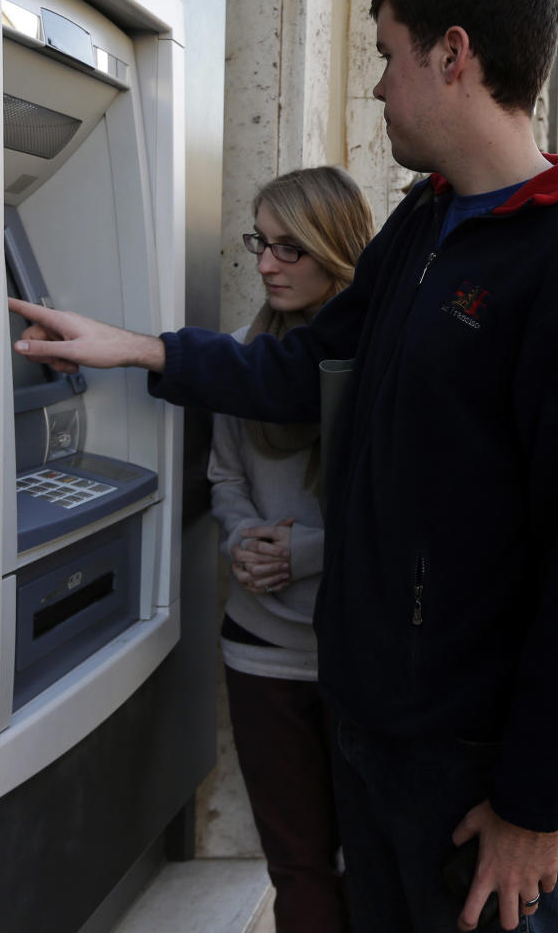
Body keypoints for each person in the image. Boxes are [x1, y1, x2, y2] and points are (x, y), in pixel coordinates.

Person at [10, 0, 558, 933]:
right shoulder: (427, 222)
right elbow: (301, 362)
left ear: (453, 55)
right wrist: (142, 350)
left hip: (469, 762)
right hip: (369, 719)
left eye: (387, 54)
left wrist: (536, 807)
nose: (376, 86)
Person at [211, 166, 373, 933]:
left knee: (371, 864)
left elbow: (405, 509)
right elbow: (224, 471)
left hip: (356, 652)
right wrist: (244, 539)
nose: (267, 264)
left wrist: (301, 554)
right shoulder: (251, 347)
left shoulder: (381, 357)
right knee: (297, 864)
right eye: (261, 243)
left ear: (335, 249)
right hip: (259, 648)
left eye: (288, 248)